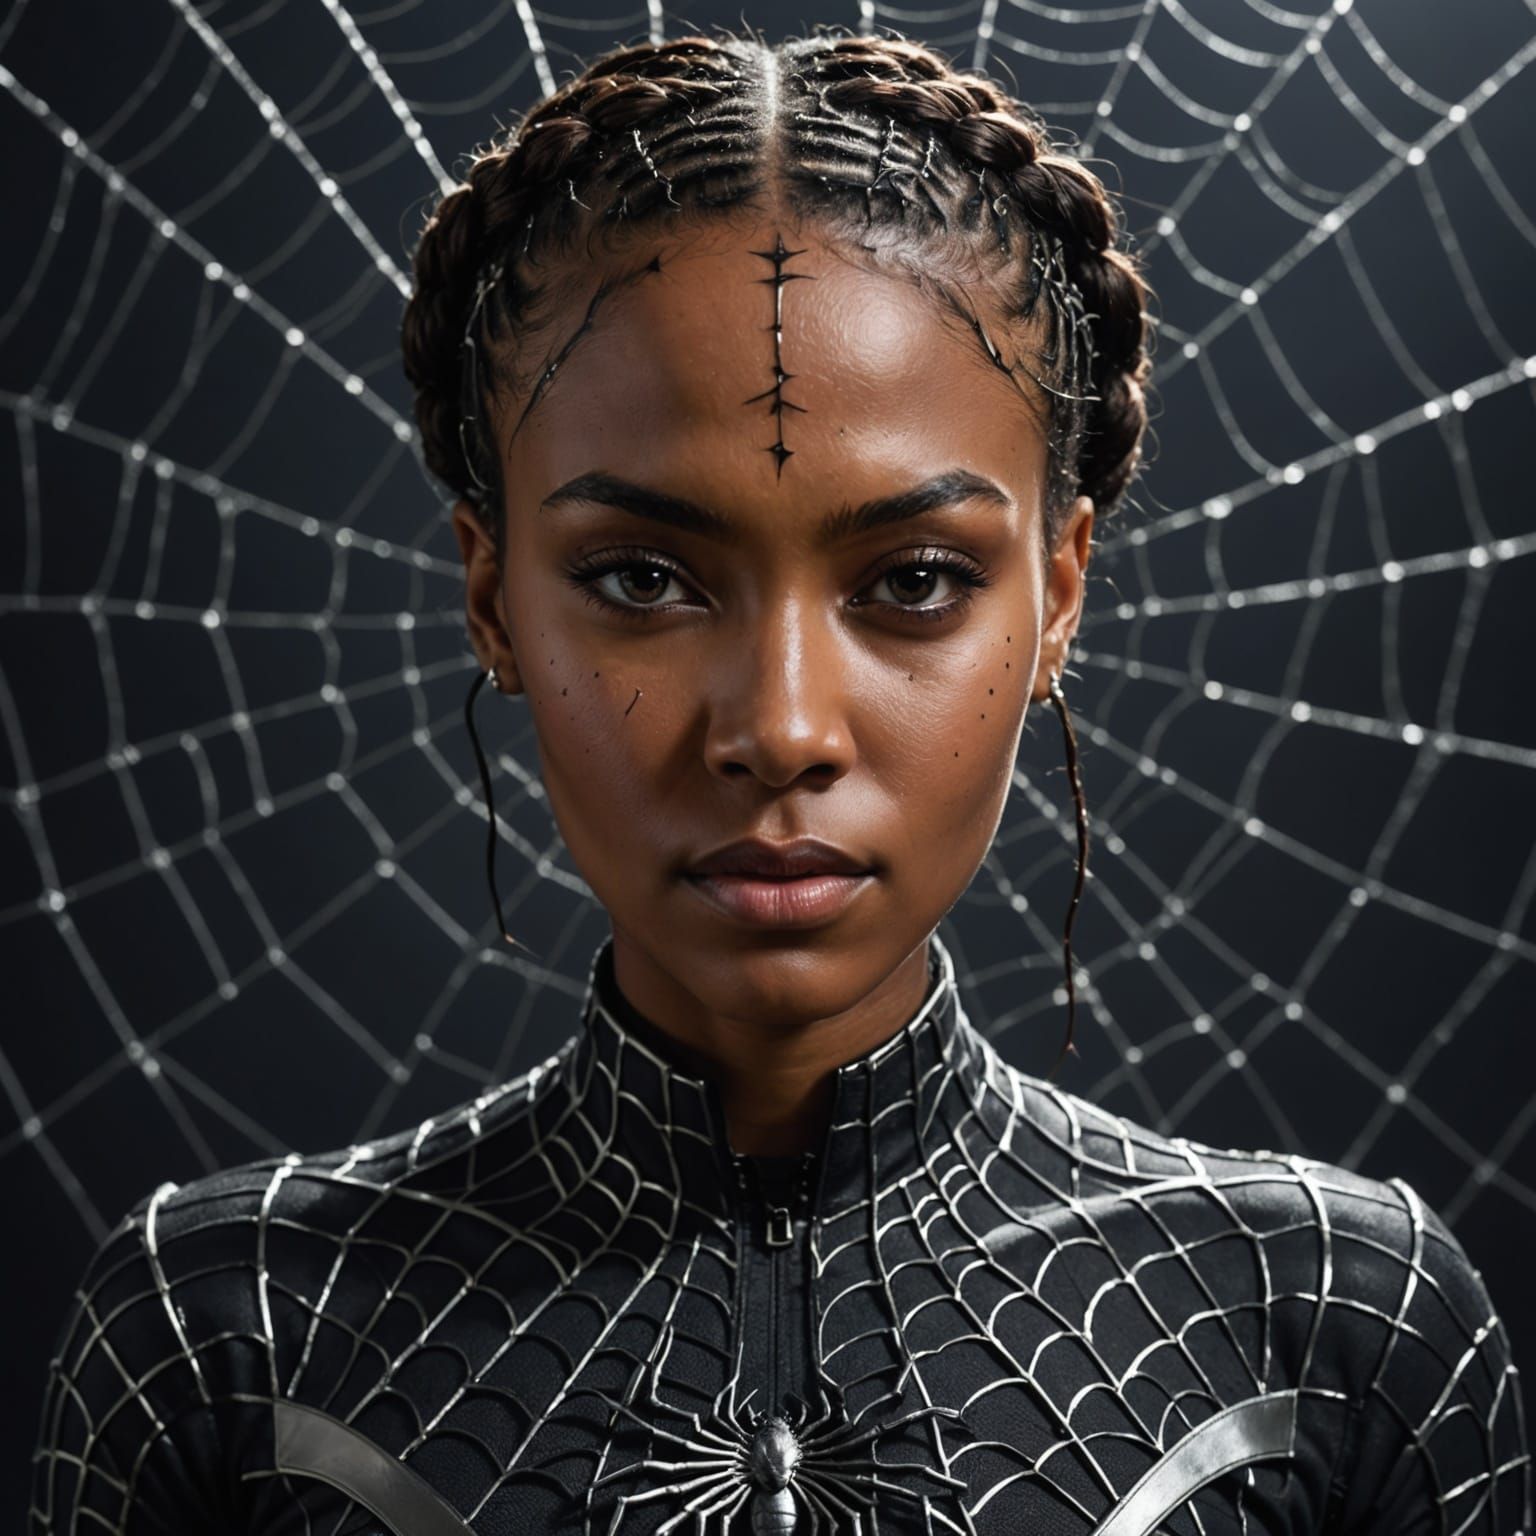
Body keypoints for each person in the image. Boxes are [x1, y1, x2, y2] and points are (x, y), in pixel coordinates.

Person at [29, 27, 1527, 1536]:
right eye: (641, 577)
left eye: (918, 581)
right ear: (492, 595)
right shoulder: (221, 1339)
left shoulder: (1338, 1327)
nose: (782, 726)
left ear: (1061, 594)